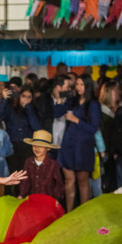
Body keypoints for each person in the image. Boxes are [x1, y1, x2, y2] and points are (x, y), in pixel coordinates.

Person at [57, 74, 100, 211]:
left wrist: (77, 120)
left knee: (82, 181)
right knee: (69, 180)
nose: (79, 87)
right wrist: (60, 100)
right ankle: (68, 213)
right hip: (68, 145)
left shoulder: (93, 104)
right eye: (78, 84)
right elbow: (57, 113)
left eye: (82, 85)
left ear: (88, 87)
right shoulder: (72, 100)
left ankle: (84, 213)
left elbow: (93, 128)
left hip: (83, 147)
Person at [0, 85, 41, 185]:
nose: (25, 99)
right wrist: (4, 99)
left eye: (29, 97)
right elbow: (0, 116)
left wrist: (28, 108)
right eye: (23, 96)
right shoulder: (11, 107)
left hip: (26, 146)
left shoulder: (33, 109)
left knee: (24, 174)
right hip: (11, 145)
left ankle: (21, 196)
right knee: (10, 174)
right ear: (19, 96)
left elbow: (36, 127)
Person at [20, 130, 63, 202]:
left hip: (47, 201)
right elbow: (25, 181)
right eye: (34, 146)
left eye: (40, 146)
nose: (37, 148)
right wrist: (21, 195)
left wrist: (56, 199)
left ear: (48, 148)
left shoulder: (53, 164)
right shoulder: (29, 162)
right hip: (31, 200)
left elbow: (58, 185)